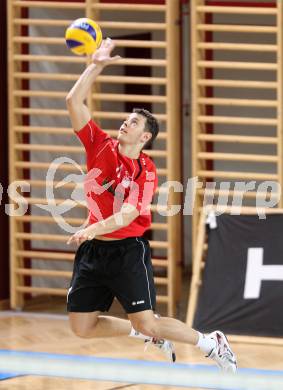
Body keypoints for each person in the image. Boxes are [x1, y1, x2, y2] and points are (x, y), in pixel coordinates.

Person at [65, 38, 237, 372]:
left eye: (133, 123)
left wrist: (90, 229)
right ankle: (145, 336)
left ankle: (210, 342)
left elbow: (128, 214)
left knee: (151, 321)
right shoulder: (99, 144)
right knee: (81, 328)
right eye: (126, 119)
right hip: (93, 252)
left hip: (128, 251)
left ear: (145, 138)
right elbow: (73, 100)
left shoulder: (146, 172)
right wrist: (96, 65)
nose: (125, 123)